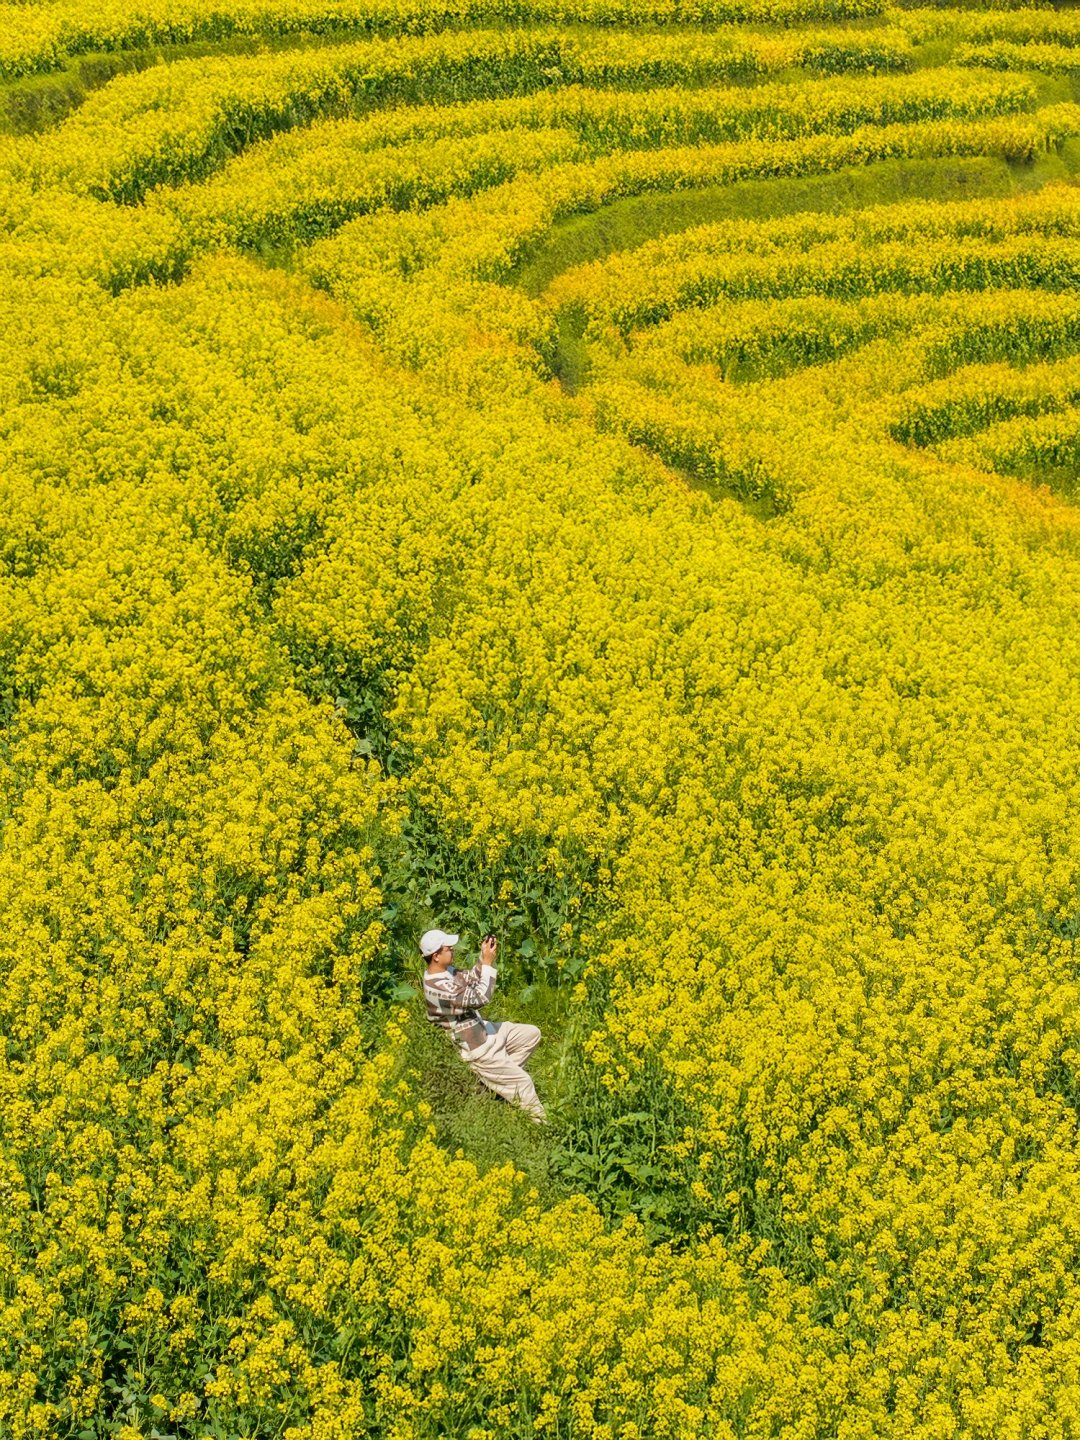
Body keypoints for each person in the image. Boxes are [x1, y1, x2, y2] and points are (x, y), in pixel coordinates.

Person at [420, 928, 546, 1123]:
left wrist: (484, 957)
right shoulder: (437, 989)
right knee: (524, 1083)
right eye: (448, 948)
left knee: (531, 1035)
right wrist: (487, 964)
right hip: (478, 1050)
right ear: (436, 956)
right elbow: (480, 997)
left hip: (487, 1032)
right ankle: (542, 1126)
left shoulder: (446, 972)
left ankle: (498, 1087)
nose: (453, 949)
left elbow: (472, 978)